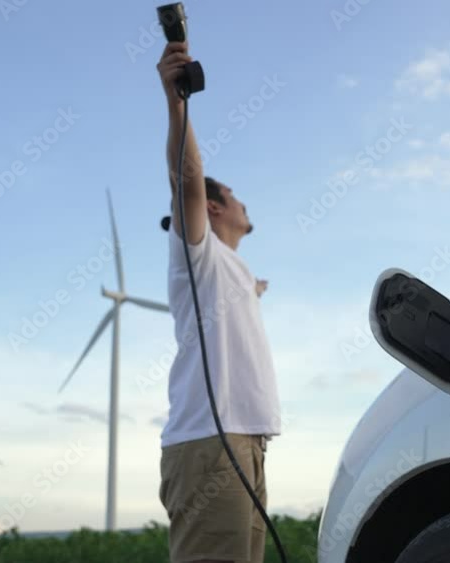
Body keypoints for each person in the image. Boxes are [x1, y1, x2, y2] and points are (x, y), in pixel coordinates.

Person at [156, 40, 282, 563]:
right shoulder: (199, 252)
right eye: (236, 196)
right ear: (213, 206)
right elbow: (186, 180)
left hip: (247, 444)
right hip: (212, 443)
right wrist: (177, 101)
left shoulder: (232, 268)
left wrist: (253, 293)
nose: (245, 202)